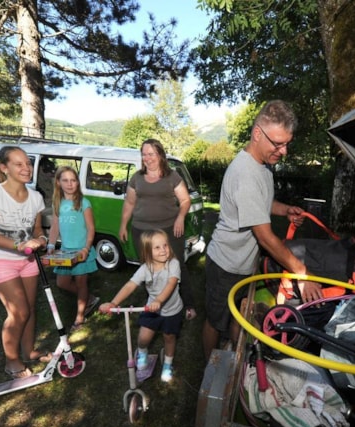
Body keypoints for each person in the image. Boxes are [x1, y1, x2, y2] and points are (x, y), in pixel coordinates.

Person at [202, 100, 323, 362]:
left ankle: (237, 362)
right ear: (258, 134)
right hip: (226, 265)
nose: (284, 151)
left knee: (241, 314)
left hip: (245, 263)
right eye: (278, 143)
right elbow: (265, 237)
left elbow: (261, 203)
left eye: (287, 144)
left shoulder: (262, 165)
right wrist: (301, 272)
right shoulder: (245, 173)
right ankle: (210, 370)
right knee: (216, 321)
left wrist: (283, 210)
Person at [0, 146, 50, 379]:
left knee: (29, 309)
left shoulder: (36, 197)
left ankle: (29, 351)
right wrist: (19, 245)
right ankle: (12, 360)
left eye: (27, 163)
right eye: (18, 164)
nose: (26, 168)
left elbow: (38, 230)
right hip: (1, 260)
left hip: (28, 260)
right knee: (18, 311)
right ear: (4, 168)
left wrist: (41, 239)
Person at [119, 139, 197, 321]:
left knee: (177, 265)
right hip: (141, 231)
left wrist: (180, 217)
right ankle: (154, 302)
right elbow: (129, 203)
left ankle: (188, 303)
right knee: (148, 267)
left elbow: (185, 201)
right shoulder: (137, 178)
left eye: (151, 154)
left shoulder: (172, 176)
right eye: (144, 154)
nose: (147, 158)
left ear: (160, 155)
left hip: (169, 230)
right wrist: (123, 225)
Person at [100, 229, 183, 382]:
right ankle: (143, 351)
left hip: (172, 310)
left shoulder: (173, 264)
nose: (163, 250)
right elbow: (130, 285)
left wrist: (159, 300)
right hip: (151, 309)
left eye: (165, 245)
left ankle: (168, 364)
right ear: (147, 251)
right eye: (157, 247)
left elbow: (171, 285)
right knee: (143, 337)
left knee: (169, 337)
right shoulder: (145, 269)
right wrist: (113, 303)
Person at [46, 166, 99, 333]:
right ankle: (89, 298)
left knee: (81, 282)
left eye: (73, 180)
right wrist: (50, 245)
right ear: (58, 183)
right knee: (62, 283)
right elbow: (55, 227)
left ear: (78, 182)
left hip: (82, 251)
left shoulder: (84, 203)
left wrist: (86, 248)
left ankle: (80, 316)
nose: (70, 184)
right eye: (65, 180)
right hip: (65, 251)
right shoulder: (58, 203)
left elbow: (91, 228)